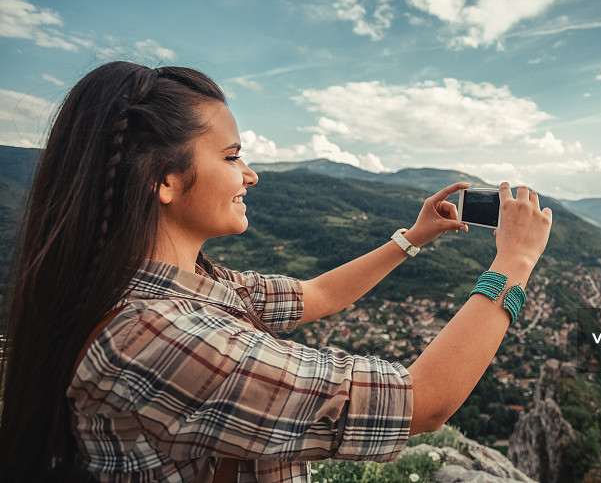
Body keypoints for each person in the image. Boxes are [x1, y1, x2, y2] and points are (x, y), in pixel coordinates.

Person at [0, 61, 552, 483]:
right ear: (164, 181)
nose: (252, 174)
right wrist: (514, 262)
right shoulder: (154, 335)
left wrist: (412, 238)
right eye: (232, 156)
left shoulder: (193, 286)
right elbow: (425, 402)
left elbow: (317, 294)